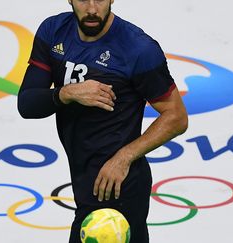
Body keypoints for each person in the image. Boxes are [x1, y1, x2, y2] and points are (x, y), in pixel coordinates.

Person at [17, 0, 188, 242]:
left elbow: (176, 116)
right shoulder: (53, 31)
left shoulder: (137, 49)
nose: (92, 9)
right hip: (83, 178)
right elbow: (27, 104)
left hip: (116, 187)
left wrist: (124, 157)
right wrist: (66, 93)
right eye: (83, 0)